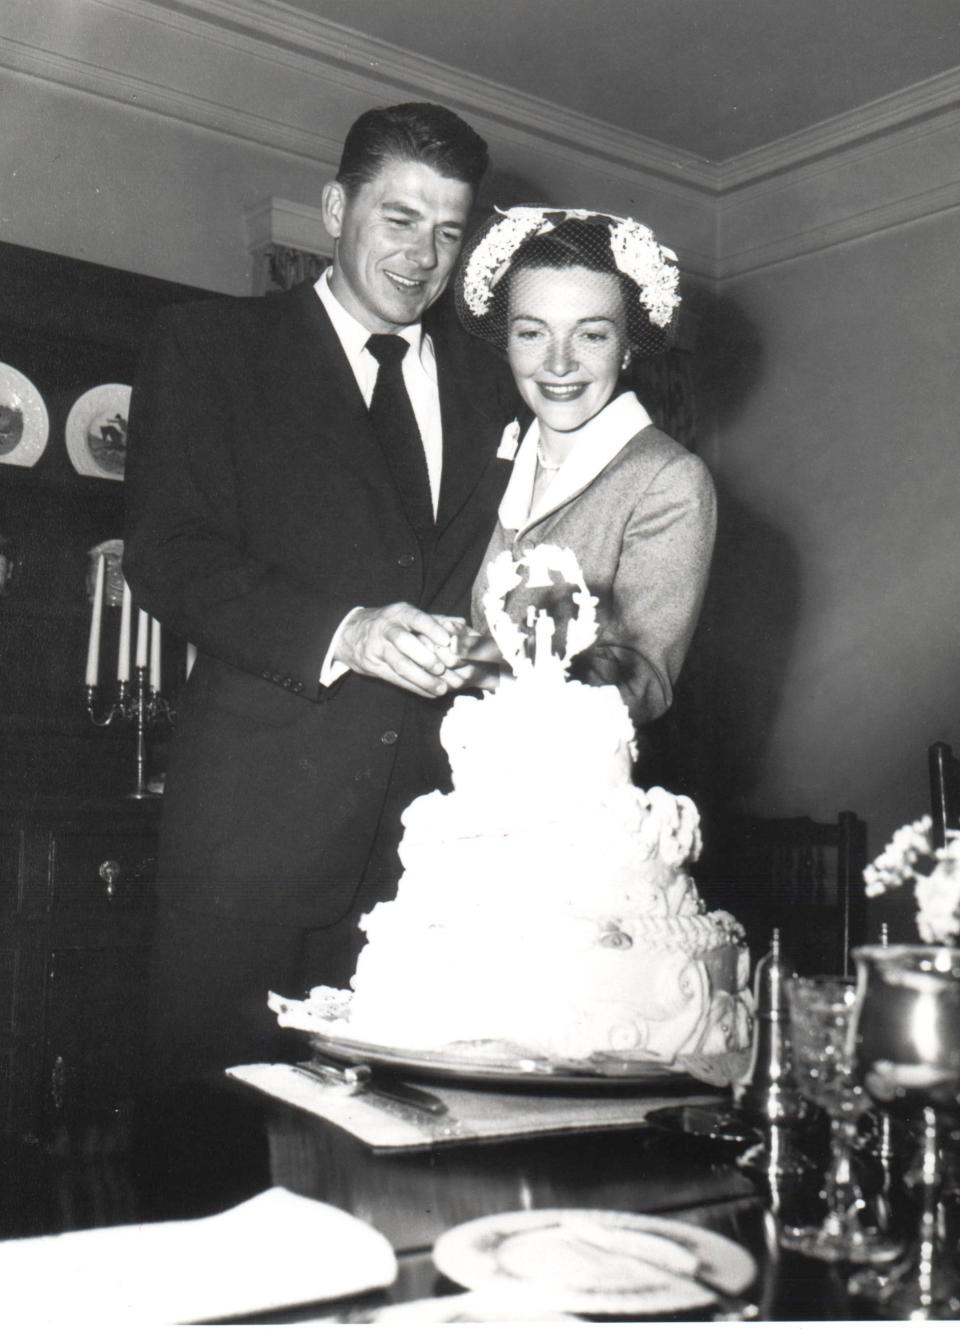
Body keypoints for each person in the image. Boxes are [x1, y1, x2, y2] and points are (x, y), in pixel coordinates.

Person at [123, 103, 520, 1094]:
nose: (424, 255)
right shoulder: (211, 346)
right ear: (337, 208)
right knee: (212, 1156)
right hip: (252, 842)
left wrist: (493, 645)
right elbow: (168, 553)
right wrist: (341, 629)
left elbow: (512, 571)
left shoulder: (500, 387)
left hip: (426, 864)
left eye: (449, 230)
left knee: (385, 1166)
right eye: (400, 218)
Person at [454, 208, 716, 774]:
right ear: (507, 342)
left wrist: (467, 660)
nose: (558, 363)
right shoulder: (484, 456)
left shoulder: (667, 479)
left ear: (626, 348)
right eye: (531, 332)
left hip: (579, 796)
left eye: (591, 334)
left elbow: (638, 679)